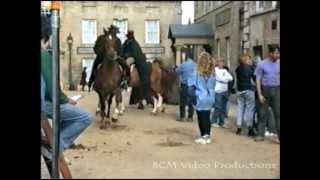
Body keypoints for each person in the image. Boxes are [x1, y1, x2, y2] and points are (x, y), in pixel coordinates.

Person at [41, 15, 92, 151]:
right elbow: (52, 90)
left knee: (66, 116)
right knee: (86, 117)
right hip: (43, 105)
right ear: (47, 36)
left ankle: (54, 140)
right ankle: (56, 146)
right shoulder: (44, 54)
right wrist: (66, 99)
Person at [88, 25, 128, 90]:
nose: (115, 34)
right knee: (95, 64)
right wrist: (102, 53)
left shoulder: (118, 40)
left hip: (115, 57)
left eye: (116, 32)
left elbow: (120, 50)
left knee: (124, 65)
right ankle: (92, 81)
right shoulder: (102, 38)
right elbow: (96, 48)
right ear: (110, 31)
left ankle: (124, 81)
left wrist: (118, 55)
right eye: (114, 32)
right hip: (103, 57)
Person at [254, 46, 280, 142]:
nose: (277, 55)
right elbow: (257, 80)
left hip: (277, 90)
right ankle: (260, 135)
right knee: (262, 113)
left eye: (278, 53)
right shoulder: (262, 64)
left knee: (278, 114)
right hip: (265, 90)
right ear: (270, 53)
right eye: (276, 53)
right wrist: (259, 94)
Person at [193, 52, 216, 144]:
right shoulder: (213, 73)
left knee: (201, 117)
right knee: (207, 117)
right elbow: (214, 84)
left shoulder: (197, 72)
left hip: (200, 96)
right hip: (210, 96)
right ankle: (208, 136)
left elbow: (193, 84)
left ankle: (203, 136)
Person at [123, 30, 150, 101]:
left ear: (132, 36)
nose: (129, 37)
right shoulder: (126, 42)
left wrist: (127, 55)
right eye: (128, 35)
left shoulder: (134, 43)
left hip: (134, 58)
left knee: (126, 63)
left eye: (130, 35)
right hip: (126, 56)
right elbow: (122, 49)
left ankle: (126, 79)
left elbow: (135, 53)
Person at [235, 55, 256, 136]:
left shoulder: (237, 69)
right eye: (249, 59)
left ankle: (239, 127)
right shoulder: (250, 68)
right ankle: (250, 128)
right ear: (245, 60)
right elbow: (254, 78)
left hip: (240, 90)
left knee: (240, 108)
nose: (250, 60)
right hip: (248, 89)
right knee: (249, 109)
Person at [211, 58, 233, 128]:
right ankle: (213, 121)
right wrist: (225, 79)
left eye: (223, 62)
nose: (222, 63)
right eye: (220, 62)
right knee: (217, 106)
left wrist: (225, 79)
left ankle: (221, 122)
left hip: (225, 90)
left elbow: (231, 78)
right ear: (218, 63)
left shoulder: (225, 70)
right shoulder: (215, 70)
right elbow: (220, 78)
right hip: (218, 90)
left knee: (224, 107)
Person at [176, 50, 196, 122]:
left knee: (183, 101)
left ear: (186, 57)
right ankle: (190, 117)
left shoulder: (183, 65)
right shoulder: (195, 65)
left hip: (185, 84)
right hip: (193, 86)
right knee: (191, 102)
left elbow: (177, 72)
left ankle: (182, 117)